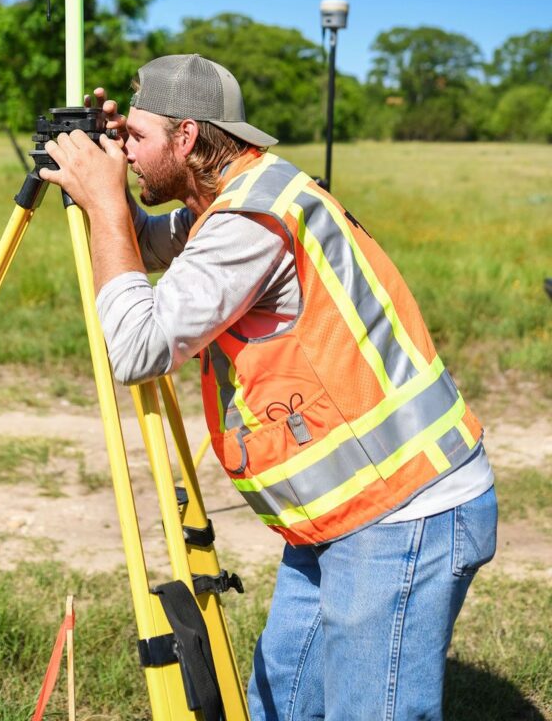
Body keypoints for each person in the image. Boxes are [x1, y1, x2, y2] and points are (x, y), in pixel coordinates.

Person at [40, 53, 497, 721]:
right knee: (279, 706)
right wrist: (107, 180)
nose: (127, 152)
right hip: (340, 515)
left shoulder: (249, 224)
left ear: (188, 137)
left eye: (136, 137)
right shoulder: (236, 198)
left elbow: (137, 348)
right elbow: (145, 242)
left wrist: (106, 200)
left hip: (403, 509)